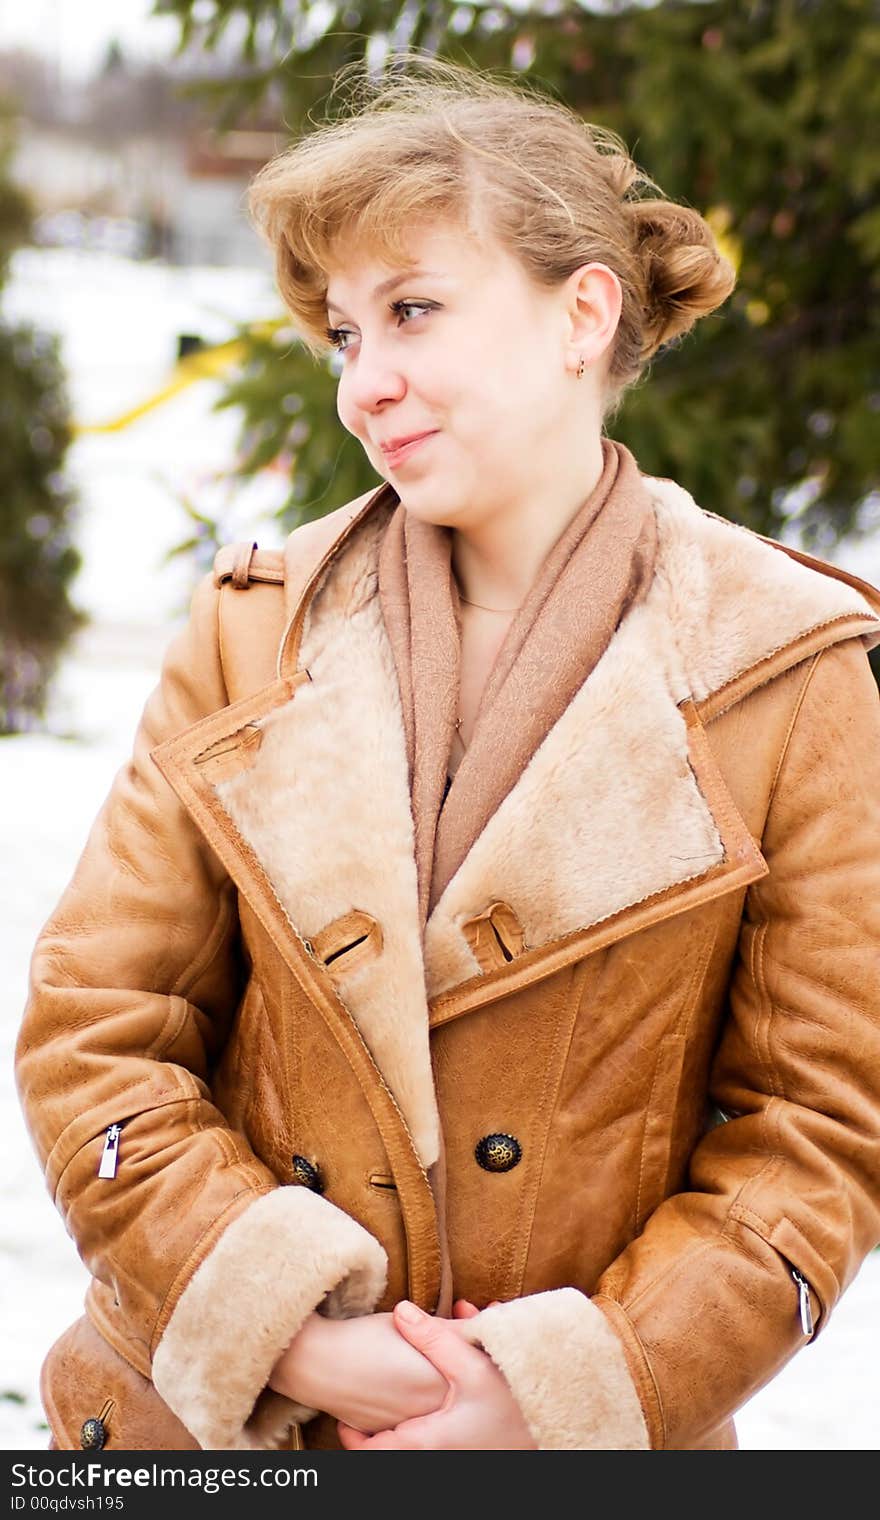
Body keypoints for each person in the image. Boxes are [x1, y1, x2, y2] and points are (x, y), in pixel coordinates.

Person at [17, 56, 880, 1454]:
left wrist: (567, 1389)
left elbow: (817, 1131)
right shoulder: (253, 634)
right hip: (214, 1432)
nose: (367, 382)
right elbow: (97, 1031)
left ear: (581, 315)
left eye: (413, 310)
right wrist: (286, 1331)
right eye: (347, 334)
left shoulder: (786, 666)